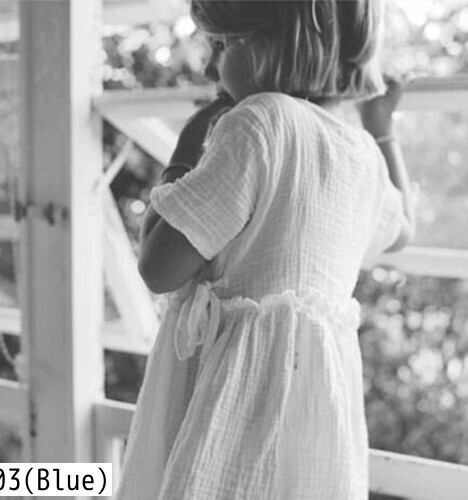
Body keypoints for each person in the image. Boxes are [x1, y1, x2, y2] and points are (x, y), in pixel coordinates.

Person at [114, 1, 416, 498]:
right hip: (314, 406)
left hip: (235, 396)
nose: (210, 70)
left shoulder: (259, 120)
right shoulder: (360, 153)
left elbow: (157, 267)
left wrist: (186, 147)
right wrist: (381, 127)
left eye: (221, 46)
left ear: (271, 45)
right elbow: (403, 228)